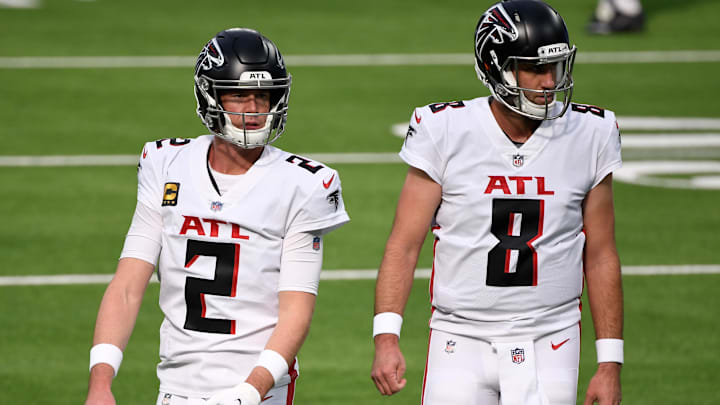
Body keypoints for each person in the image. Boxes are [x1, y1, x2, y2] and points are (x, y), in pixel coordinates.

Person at [370, 1, 623, 404]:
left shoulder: (591, 133)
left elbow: (602, 253)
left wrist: (610, 363)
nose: (547, 81)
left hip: (550, 336)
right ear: (494, 67)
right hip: (459, 336)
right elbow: (403, 244)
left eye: (554, 67)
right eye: (534, 68)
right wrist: (386, 336)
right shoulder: (444, 130)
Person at [84, 28, 349, 405]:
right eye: (239, 95)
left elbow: (297, 311)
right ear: (209, 94)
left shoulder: (306, 184)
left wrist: (248, 391)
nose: (255, 109)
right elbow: (128, 286)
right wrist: (101, 381)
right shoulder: (165, 164)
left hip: (260, 389)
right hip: (176, 387)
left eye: (264, 95)